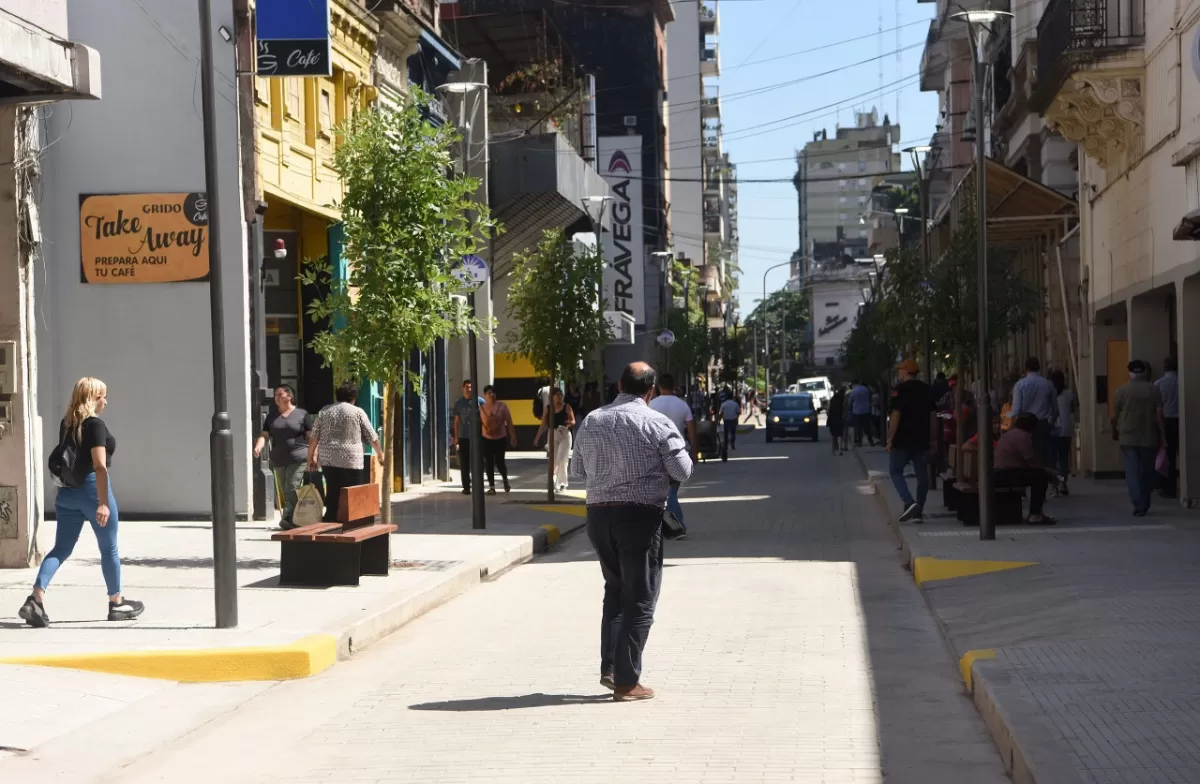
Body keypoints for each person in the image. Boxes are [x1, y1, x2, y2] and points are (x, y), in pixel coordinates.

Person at [571, 362, 694, 702]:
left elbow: (576, 469)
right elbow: (682, 471)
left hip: (598, 517)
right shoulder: (657, 422)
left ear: (619, 385)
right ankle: (626, 682)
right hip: (638, 518)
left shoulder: (592, 420)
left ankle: (611, 669)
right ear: (650, 391)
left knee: (615, 591)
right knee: (640, 598)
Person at [20, 377, 144, 627]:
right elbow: (99, 466)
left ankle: (36, 597)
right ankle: (116, 602)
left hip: (67, 494)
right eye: (102, 396)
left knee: (61, 549)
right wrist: (102, 503)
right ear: (92, 398)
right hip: (92, 490)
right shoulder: (95, 425)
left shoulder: (67, 424)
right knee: (108, 547)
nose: (106, 401)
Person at [308, 382, 383, 523]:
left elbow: (314, 437)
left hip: (328, 458)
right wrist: (380, 453)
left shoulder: (325, 411)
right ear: (354, 397)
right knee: (353, 493)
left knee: (332, 492)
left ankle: (330, 520)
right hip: (351, 459)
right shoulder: (357, 412)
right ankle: (353, 522)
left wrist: (310, 458)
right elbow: (372, 436)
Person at [253, 384, 312, 529]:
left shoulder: (302, 414)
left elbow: (311, 436)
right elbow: (265, 434)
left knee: (291, 487)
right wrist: (258, 445)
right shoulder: (272, 417)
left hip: (298, 457)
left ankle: (287, 519)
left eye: (280, 394)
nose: (276, 397)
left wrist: (314, 455)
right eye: (275, 395)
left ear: (289, 396)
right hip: (279, 459)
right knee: (285, 489)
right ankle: (293, 518)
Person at [1112, 359, 1165, 516]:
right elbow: (1159, 416)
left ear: (1129, 373)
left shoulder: (1121, 391)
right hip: (1149, 436)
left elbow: (1114, 416)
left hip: (1128, 437)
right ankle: (1145, 502)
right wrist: (1163, 435)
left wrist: (1114, 431)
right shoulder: (1154, 390)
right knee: (1147, 471)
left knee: (1132, 471)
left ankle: (1137, 502)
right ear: (1144, 372)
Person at [887, 359, 935, 523]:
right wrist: (933, 438)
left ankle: (909, 502)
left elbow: (896, 415)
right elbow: (933, 416)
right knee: (923, 477)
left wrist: (890, 438)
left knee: (895, 470)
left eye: (900, 370)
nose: (899, 373)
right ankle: (918, 509)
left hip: (902, 438)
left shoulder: (900, 390)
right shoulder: (926, 389)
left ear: (906, 371)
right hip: (921, 439)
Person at [649, 373, 696, 537]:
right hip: (678, 453)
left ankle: (676, 526)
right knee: (672, 492)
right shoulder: (683, 406)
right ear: (674, 386)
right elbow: (691, 430)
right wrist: (694, 452)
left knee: (664, 494)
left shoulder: (650, 405)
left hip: (655, 454)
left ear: (658, 387)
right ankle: (672, 526)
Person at [993, 412, 1056, 525]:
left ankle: (1036, 513)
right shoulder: (1022, 436)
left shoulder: (1010, 434)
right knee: (1041, 477)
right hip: (1005, 474)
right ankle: (1035, 514)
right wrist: (1047, 472)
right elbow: (1030, 459)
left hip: (999, 472)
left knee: (1039, 474)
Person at [1009, 357, 1058, 468]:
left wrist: (1012, 427)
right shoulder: (1048, 384)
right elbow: (1055, 409)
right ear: (1039, 368)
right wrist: (1051, 422)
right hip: (1042, 424)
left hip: (1024, 426)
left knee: (1025, 456)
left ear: (1025, 369)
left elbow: (1016, 409)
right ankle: (1043, 480)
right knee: (1042, 457)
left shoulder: (1020, 385)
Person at [535, 387, 576, 491]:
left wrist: (569, 424)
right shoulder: (548, 408)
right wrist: (537, 438)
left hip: (564, 434)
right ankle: (555, 481)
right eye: (557, 395)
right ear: (552, 397)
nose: (560, 397)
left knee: (562, 459)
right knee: (554, 461)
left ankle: (562, 483)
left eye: (561, 395)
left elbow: (573, 421)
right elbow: (543, 424)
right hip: (552, 434)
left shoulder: (567, 407)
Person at [480, 385, 517, 495]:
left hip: (500, 438)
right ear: (485, 395)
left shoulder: (502, 406)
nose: (492, 395)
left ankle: (505, 480)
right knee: (489, 463)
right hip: (486, 438)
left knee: (500, 462)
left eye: (493, 393)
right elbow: (479, 424)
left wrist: (513, 437)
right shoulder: (481, 408)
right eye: (489, 393)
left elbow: (509, 423)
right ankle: (492, 486)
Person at [452, 380, 485, 495]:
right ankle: (466, 486)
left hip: (477, 437)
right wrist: (456, 437)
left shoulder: (479, 402)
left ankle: (477, 484)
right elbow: (456, 421)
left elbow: (485, 419)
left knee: (477, 462)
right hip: (463, 437)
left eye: (471, 387)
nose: (469, 389)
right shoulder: (458, 403)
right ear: (463, 388)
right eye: (467, 387)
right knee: (464, 463)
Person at [1155, 356, 1180, 498]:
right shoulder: (1182, 382)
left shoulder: (1158, 384)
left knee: (1166, 455)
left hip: (1166, 421)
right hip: (1182, 420)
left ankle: (1167, 487)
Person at [1050, 370, 1076, 495]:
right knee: (1064, 458)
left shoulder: (1050, 393)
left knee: (1053, 459)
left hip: (1052, 429)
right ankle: (1063, 483)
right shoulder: (1069, 393)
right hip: (1065, 429)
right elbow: (1073, 408)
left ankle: (1055, 486)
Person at [848, 380, 873, 447]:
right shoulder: (866, 390)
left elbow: (850, 401)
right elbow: (869, 399)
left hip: (857, 411)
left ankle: (859, 442)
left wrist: (849, 409)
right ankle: (870, 441)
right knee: (867, 427)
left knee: (858, 427)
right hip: (866, 410)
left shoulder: (853, 391)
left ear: (854, 384)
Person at [826, 386, 846, 455]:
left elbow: (828, 411)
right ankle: (840, 449)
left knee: (834, 435)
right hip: (839, 419)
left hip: (832, 419)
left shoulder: (831, 400)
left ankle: (834, 449)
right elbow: (844, 411)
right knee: (840, 434)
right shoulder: (842, 400)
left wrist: (829, 416)